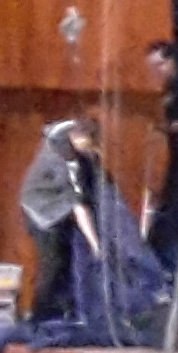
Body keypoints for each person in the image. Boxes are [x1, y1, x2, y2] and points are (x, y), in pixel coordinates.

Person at [17, 119, 103, 322]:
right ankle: (40, 315)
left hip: (50, 203)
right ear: (76, 138)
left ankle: (63, 309)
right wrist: (95, 244)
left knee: (65, 260)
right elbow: (79, 208)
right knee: (53, 263)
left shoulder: (60, 136)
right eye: (87, 144)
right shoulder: (65, 164)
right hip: (41, 212)